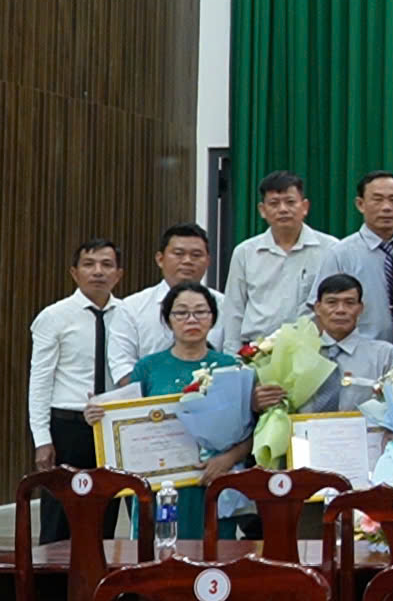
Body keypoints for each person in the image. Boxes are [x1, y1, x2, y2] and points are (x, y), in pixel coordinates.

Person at [120, 283, 246, 540]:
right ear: (168, 320)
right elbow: (127, 424)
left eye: (200, 312)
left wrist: (227, 459)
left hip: (214, 481)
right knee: (159, 553)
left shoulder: (230, 367)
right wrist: (98, 415)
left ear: (213, 319)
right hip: (161, 484)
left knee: (215, 555)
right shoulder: (148, 367)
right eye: (181, 312)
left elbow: (250, 429)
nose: (191, 319)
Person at [28, 239, 124, 541]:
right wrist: (42, 439)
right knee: (59, 518)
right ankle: (53, 573)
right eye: (89, 264)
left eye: (106, 265)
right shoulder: (54, 316)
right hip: (68, 427)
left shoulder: (128, 314)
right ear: (74, 272)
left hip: (111, 426)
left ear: (118, 274)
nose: (98, 272)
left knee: (104, 516)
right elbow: (40, 381)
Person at [223, 171, 336, 345]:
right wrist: (232, 355)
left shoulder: (330, 249)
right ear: (262, 210)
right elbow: (234, 310)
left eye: (290, 202)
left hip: (312, 350)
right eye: (274, 203)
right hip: (255, 350)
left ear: (305, 207)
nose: (283, 209)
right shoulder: (245, 252)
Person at [313, 171, 393, 350]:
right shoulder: (340, 254)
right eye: (377, 200)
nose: (386, 207)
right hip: (360, 354)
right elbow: (320, 312)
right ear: (360, 204)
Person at [107, 223, 226, 382]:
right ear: (160, 259)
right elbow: (122, 366)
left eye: (196, 255)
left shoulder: (225, 305)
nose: (187, 261)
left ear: (208, 261)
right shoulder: (131, 307)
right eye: (178, 254)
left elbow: (232, 357)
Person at [275, 274, 393, 415]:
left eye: (349, 303)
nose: (340, 310)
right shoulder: (296, 352)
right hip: (302, 427)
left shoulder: (385, 355)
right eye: (332, 302)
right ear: (317, 308)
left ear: (360, 308)